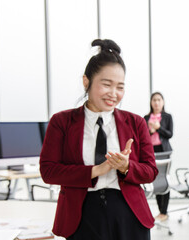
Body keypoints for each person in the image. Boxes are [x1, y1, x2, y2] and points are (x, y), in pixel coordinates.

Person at [39, 39, 158, 240]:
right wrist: (96, 170)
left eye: (120, 87)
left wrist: (126, 167)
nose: (114, 94)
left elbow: (150, 171)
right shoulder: (62, 122)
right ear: (86, 81)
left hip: (128, 213)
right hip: (82, 214)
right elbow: (48, 171)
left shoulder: (136, 122)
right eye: (106, 84)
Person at [144, 92, 173, 222]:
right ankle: (159, 211)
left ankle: (164, 212)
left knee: (165, 178)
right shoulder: (145, 118)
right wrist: (150, 131)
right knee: (155, 179)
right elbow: (142, 137)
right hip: (151, 151)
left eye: (159, 100)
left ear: (163, 102)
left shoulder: (167, 117)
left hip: (164, 151)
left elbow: (169, 134)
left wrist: (158, 128)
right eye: (154, 100)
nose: (156, 102)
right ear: (151, 103)